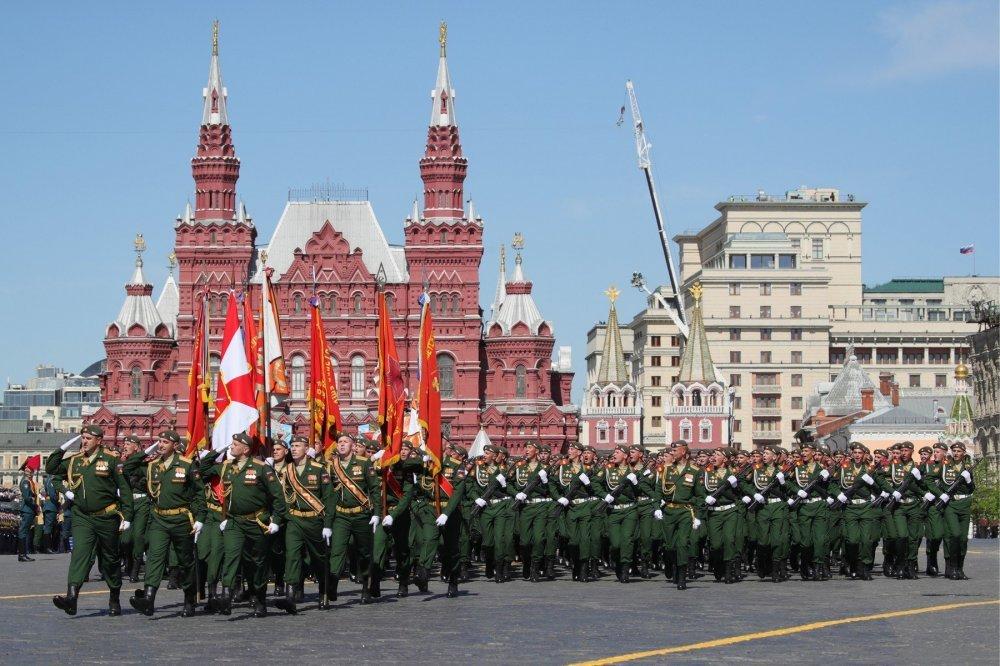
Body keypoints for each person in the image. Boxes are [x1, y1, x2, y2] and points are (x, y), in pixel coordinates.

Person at [46, 425, 134, 616]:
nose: (84, 441)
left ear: (99, 441)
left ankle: (114, 596)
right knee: (80, 554)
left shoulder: (111, 461)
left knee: (110, 559)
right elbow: (51, 467)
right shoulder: (75, 461)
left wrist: (128, 516)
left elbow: (125, 490)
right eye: (82, 438)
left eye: (88, 438)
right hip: (83, 517)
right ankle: (71, 597)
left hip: (107, 516)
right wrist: (62, 448)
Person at [204, 432, 286, 617]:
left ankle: (259, 598)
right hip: (234, 522)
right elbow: (202, 468)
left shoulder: (261, 468)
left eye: (234, 444)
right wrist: (218, 450)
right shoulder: (225, 467)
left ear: (246, 449)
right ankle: (226, 597)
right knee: (231, 557)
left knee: (257, 564)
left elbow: (278, 497)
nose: (231, 446)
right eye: (230, 444)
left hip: (257, 522)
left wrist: (277, 521)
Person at [128, 430, 206, 617]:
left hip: (181, 519)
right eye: (159, 442)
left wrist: (200, 519)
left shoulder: (187, 466)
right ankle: (148, 598)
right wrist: (147, 451)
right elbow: (129, 466)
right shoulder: (152, 465)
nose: (161, 445)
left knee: (185, 561)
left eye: (165, 442)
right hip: (159, 519)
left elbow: (199, 494)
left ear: (175, 445)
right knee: (155, 557)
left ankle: (189, 599)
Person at [274, 435, 334, 614]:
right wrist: (280, 519)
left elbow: (329, 498)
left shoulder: (319, 469)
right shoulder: (287, 470)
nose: (293, 448)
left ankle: (324, 591)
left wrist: (328, 524)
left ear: (306, 449)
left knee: (318, 558)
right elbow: (282, 498)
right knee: (292, 554)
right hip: (295, 520)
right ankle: (290, 596)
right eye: (292, 445)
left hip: (314, 520)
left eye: (297, 445)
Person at [327, 433, 381, 605]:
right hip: (341, 515)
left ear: (352, 445)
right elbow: (329, 495)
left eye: (345, 442)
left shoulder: (365, 463)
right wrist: (328, 521)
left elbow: (374, 490)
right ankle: (333, 583)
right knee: (337, 550)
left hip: (361, 514)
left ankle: (366, 586)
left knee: (364, 552)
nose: (342, 445)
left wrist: (377, 514)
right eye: (339, 442)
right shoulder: (331, 466)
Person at [653, 439, 703, 590]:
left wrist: (697, 515)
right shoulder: (665, 469)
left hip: (685, 512)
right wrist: (656, 507)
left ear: (684, 452)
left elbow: (700, 495)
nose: (672, 453)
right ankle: (671, 565)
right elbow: (658, 491)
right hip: (668, 511)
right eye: (671, 450)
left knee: (682, 543)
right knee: (669, 546)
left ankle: (682, 577)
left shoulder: (694, 471)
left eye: (675, 451)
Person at [594, 444, 640, 583]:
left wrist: (636, 482)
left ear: (625, 456)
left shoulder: (634, 471)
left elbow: (641, 492)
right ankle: (617, 562)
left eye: (618, 452)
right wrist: (604, 495)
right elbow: (595, 483)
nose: (614, 455)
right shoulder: (607, 470)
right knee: (615, 544)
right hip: (613, 511)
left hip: (629, 510)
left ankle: (625, 568)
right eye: (614, 452)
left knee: (627, 540)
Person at [940, 442, 975, 580]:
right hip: (951, 503)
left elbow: (972, 489)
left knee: (963, 539)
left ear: (964, 453)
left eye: (959, 451)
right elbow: (934, 481)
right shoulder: (945, 467)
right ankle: (952, 567)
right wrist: (940, 493)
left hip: (965, 504)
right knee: (955, 534)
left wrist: (968, 480)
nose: (956, 453)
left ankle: (960, 569)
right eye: (954, 451)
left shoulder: (968, 468)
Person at [17, 465, 38, 562]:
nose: (31, 472)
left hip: (29, 509)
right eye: (29, 470)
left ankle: (24, 554)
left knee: (25, 532)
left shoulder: (28, 481)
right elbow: (27, 497)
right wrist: (35, 505)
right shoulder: (25, 482)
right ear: (25, 472)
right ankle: (22, 555)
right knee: (23, 531)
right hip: (27, 509)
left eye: (31, 470)